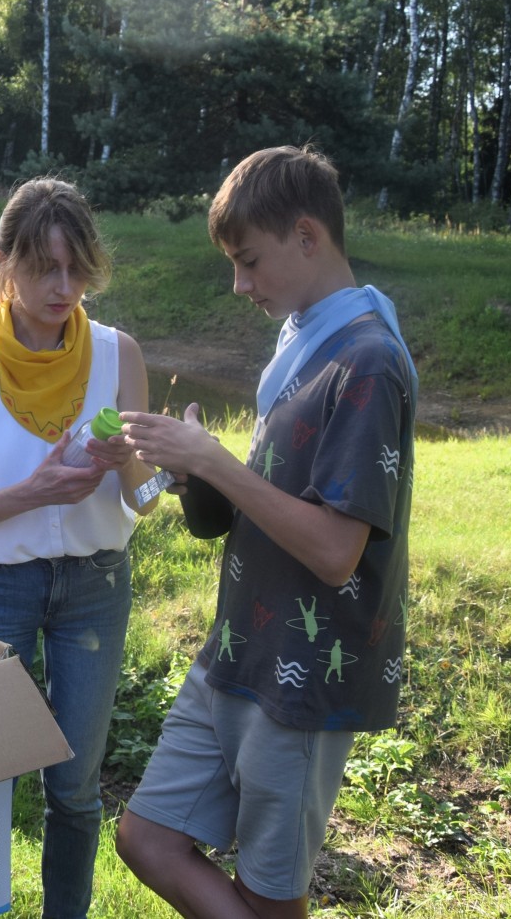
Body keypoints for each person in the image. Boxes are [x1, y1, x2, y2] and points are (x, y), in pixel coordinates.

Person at [115, 146, 417, 919]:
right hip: (241, 649)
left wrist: (215, 457)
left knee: (268, 895)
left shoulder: (367, 359)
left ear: (308, 237)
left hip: (306, 672)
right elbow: (254, 509)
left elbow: (334, 549)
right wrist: (195, 474)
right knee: (145, 836)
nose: (239, 285)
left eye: (249, 262)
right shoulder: (301, 340)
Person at [0, 178, 161, 919]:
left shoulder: (120, 354)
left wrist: (129, 460)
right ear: (4, 263)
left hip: (97, 582)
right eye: (44, 269)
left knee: (76, 784)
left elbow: (145, 501)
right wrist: (32, 492)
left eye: (79, 268)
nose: (66, 287)